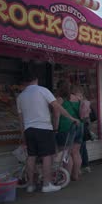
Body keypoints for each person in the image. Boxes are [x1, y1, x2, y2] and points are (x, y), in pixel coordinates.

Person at [17, 62, 79, 193]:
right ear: (36, 79)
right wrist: (71, 118)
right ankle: (46, 184)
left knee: (31, 157)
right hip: (43, 128)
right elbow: (57, 107)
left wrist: (22, 133)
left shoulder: (20, 96)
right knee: (47, 156)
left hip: (29, 130)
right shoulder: (43, 90)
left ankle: (30, 185)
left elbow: (21, 118)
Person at [54, 83, 84, 181]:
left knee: (66, 153)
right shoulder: (78, 99)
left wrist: (55, 129)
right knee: (76, 152)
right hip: (79, 126)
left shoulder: (60, 99)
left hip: (66, 127)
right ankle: (75, 175)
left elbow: (56, 115)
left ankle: (66, 177)